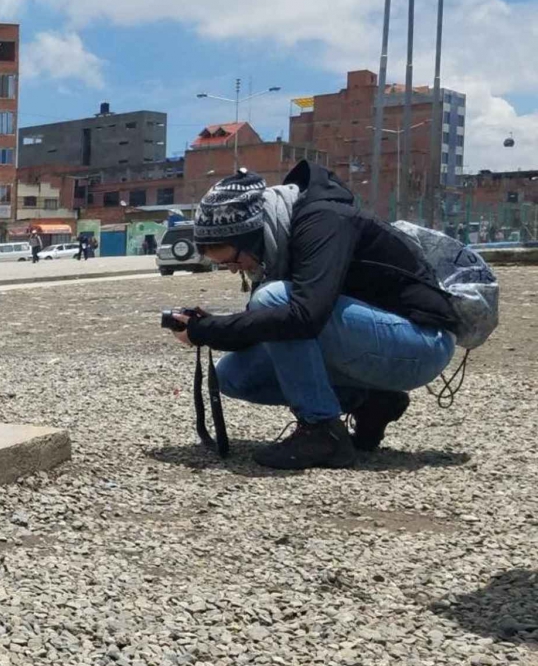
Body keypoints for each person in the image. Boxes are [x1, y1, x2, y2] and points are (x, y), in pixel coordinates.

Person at [171, 163, 459, 470]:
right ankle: (371, 401)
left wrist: (211, 330)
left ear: (253, 235)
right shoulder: (281, 239)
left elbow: (304, 317)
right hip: (376, 344)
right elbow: (274, 328)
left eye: (232, 260)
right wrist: (208, 327)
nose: (234, 269)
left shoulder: (324, 220)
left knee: (271, 299)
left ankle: (323, 434)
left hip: (423, 343)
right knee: (233, 376)